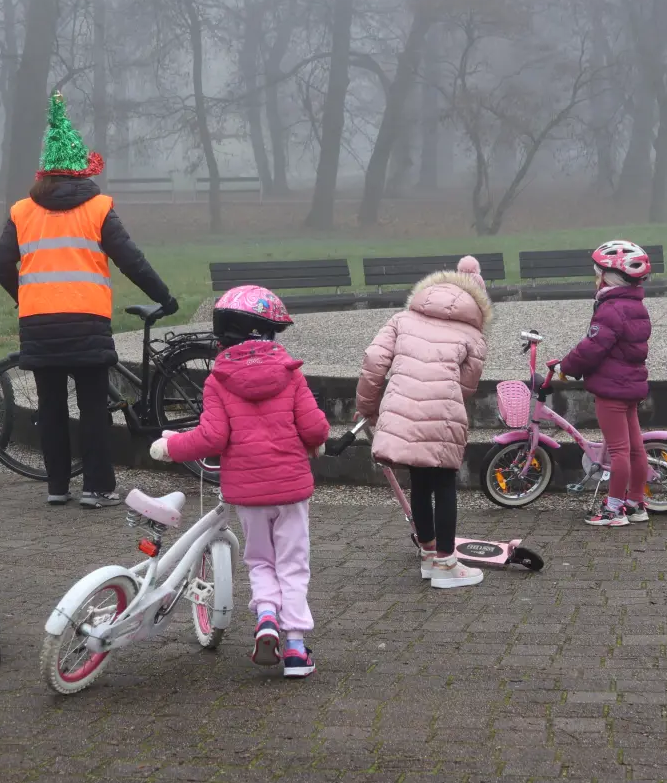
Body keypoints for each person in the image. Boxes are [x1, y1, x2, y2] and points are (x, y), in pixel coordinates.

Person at [0, 92, 178, 509]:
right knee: (94, 409)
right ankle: (97, 488)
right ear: (80, 169)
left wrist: (25, 298)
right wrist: (163, 296)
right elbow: (131, 259)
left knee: (51, 408)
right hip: (87, 322)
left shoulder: (23, 210)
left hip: (39, 324)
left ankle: (58, 487)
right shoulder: (98, 207)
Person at [150, 287, 330, 678]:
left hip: (249, 496)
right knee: (293, 566)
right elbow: (315, 427)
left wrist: (170, 446)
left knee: (261, 560)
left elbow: (211, 438)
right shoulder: (290, 374)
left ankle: (266, 617)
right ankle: (296, 647)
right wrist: (314, 442)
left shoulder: (219, 381)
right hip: (291, 490)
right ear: (267, 334)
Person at [355, 257, 491, 590]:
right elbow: (467, 387)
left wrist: (367, 409)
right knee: (444, 483)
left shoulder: (402, 318)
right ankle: (447, 564)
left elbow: (374, 361)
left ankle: (429, 555)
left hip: (401, 409)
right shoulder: (473, 336)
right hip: (442, 413)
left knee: (420, 481)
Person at [557, 240, 653, 528]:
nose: (595, 277)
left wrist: (566, 366)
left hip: (611, 391)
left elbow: (592, 347)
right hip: (630, 386)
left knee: (619, 450)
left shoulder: (610, 309)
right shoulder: (636, 305)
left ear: (608, 276)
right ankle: (636, 503)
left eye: (597, 272)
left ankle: (613, 510)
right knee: (635, 448)